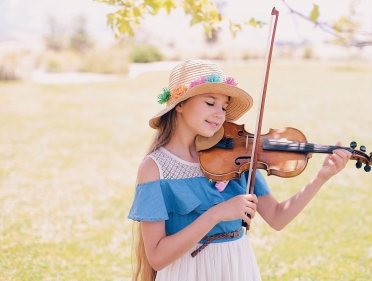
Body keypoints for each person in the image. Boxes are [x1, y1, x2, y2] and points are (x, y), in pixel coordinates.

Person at [128, 59, 352, 281]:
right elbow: (156, 257)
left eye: (224, 107)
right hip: (188, 273)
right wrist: (216, 214)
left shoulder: (237, 158)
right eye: (210, 102)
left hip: (236, 267)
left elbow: (277, 217)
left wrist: (321, 177)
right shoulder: (155, 168)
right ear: (180, 104)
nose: (220, 114)